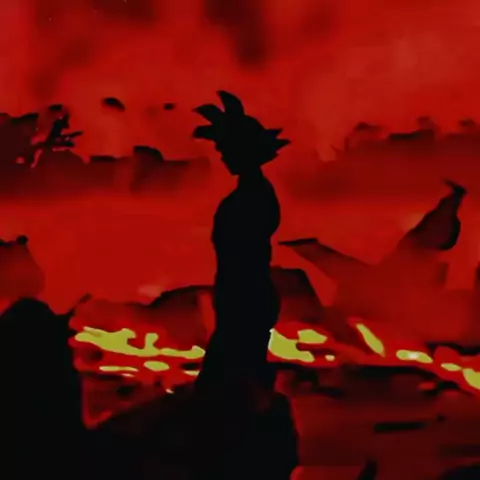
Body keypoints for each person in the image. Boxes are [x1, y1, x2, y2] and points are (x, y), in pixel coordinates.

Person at [191, 91, 297, 479]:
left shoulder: (252, 196)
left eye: (226, 150)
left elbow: (243, 252)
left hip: (246, 295)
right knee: (234, 375)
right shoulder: (251, 193)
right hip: (243, 294)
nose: (222, 157)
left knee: (230, 379)